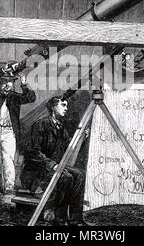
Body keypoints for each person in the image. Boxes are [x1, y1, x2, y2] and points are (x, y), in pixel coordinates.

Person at [20, 96, 87, 226]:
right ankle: (60, 219)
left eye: (66, 105)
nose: (66, 108)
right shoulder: (40, 124)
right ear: (52, 107)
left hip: (55, 167)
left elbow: (70, 147)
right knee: (66, 177)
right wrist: (52, 165)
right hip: (37, 171)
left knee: (80, 174)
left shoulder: (61, 127)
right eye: (63, 105)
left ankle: (75, 219)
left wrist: (82, 138)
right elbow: (33, 152)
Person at [0, 61, 36, 195]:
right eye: (4, 82)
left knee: (9, 161)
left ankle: (9, 187)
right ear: (0, 83)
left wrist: (24, 84)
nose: (7, 85)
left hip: (9, 133)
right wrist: (3, 70)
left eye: (10, 82)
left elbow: (31, 98)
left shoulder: (15, 96)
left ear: (13, 84)